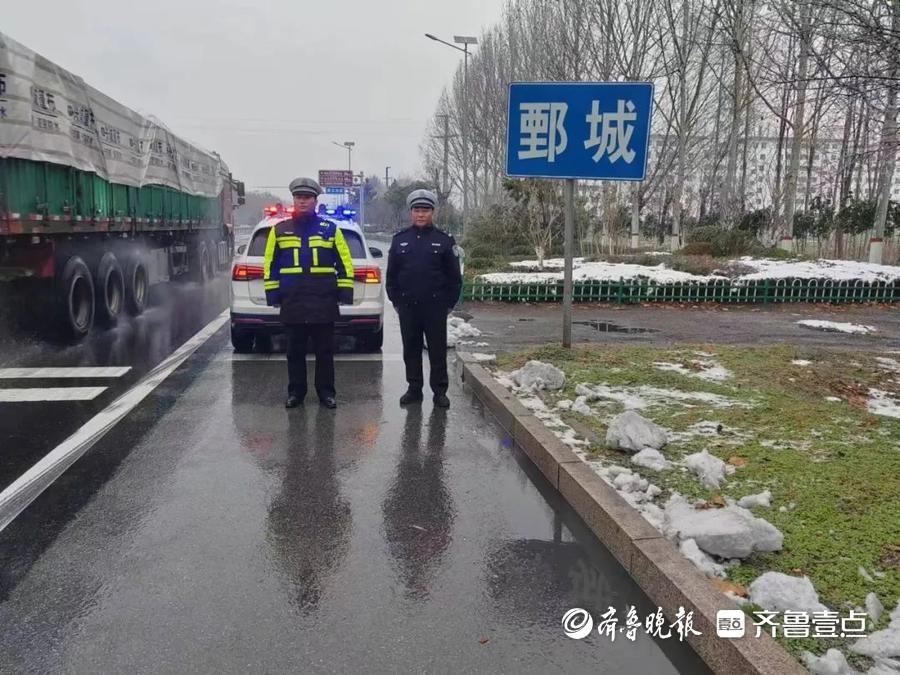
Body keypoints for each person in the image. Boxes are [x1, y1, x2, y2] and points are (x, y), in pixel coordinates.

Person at [263, 177, 354, 409]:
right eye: (299, 197)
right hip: (293, 301)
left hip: (323, 300)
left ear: (315, 201)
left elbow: (344, 261)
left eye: (307, 198)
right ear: (294, 199)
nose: (302, 201)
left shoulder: (330, 229)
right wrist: (273, 295)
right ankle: (296, 393)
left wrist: (344, 293)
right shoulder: (279, 230)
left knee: (325, 351)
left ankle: (326, 393)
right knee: (294, 352)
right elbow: (270, 264)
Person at [386, 189, 462, 408]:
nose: (421, 214)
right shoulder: (400, 240)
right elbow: (392, 276)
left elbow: (454, 277)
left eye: (425, 210)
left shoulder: (444, 240)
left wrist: (449, 304)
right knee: (411, 349)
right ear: (411, 212)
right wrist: (397, 301)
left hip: (435, 307)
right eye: (417, 210)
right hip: (408, 306)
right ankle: (414, 389)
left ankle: (440, 391)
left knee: (437, 350)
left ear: (432, 212)